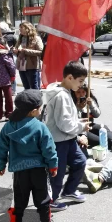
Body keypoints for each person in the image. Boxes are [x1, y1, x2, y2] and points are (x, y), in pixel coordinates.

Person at [0, 89, 58, 222]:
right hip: (38, 170)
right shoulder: (40, 127)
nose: (41, 110)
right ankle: (45, 219)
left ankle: (18, 219)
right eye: (40, 108)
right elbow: (49, 149)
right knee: (42, 198)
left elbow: (1, 147)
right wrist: (53, 165)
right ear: (33, 111)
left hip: (19, 171)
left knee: (20, 198)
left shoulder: (8, 126)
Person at [44, 61, 91, 211]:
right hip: (59, 141)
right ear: (70, 77)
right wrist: (81, 126)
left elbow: (65, 119)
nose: (82, 85)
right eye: (81, 81)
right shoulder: (61, 96)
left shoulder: (64, 91)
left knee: (80, 161)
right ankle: (51, 200)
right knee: (57, 172)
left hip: (68, 138)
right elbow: (63, 123)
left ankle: (69, 191)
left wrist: (77, 121)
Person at [71, 84, 112, 150]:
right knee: (101, 141)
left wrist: (91, 105)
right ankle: (110, 144)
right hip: (80, 130)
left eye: (83, 92)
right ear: (74, 93)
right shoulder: (72, 102)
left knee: (102, 127)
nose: (81, 94)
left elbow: (97, 114)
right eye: (78, 92)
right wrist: (79, 108)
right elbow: (73, 119)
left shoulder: (90, 99)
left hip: (90, 125)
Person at [13, 21, 43, 90]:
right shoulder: (21, 38)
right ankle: (28, 100)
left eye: (21, 28)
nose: (19, 30)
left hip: (32, 66)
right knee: (26, 87)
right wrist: (15, 51)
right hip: (21, 65)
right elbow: (17, 48)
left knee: (34, 88)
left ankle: (36, 100)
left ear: (27, 28)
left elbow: (40, 52)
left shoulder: (36, 38)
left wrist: (25, 50)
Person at [0, 21, 18, 96]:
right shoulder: (13, 36)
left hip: (2, 57)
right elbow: (17, 46)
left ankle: (9, 89)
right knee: (12, 73)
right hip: (11, 56)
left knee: (5, 74)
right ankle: (13, 90)